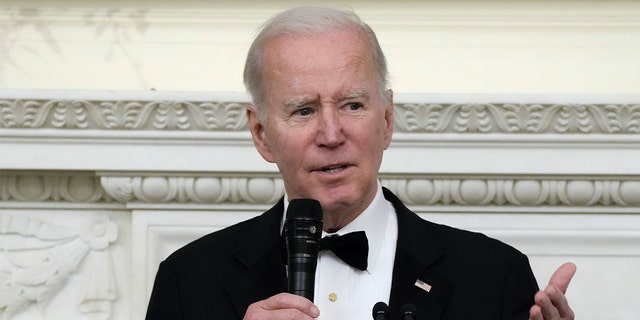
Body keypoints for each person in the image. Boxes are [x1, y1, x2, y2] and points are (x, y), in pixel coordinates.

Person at [145, 6, 576, 320]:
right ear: (261, 134)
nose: (332, 135)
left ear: (386, 120)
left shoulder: (494, 275)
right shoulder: (188, 281)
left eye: (352, 105)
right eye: (303, 111)